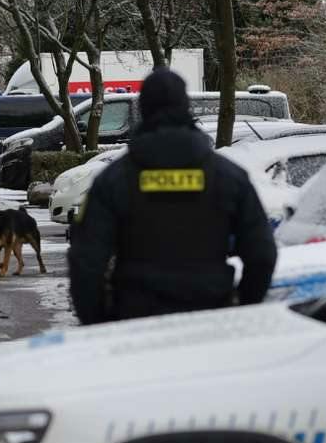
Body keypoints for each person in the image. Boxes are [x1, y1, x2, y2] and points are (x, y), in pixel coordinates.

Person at [68, 69, 276, 324]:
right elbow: (262, 254)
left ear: (143, 109)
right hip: (211, 321)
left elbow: (86, 262)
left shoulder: (113, 180)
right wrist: (243, 307)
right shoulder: (229, 177)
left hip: (135, 324)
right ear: (185, 107)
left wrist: (99, 323)